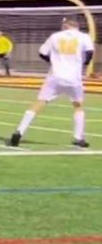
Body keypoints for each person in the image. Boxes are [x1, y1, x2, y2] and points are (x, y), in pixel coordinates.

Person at [9, 16, 93, 148]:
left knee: (39, 103)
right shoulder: (84, 37)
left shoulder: (55, 36)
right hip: (74, 78)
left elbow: (42, 52)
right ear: (77, 26)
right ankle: (79, 137)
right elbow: (89, 53)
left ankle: (19, 131)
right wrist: (84, 64)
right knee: (78, 106)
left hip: (55, 76)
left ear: (65, 25)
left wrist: (52, 62)